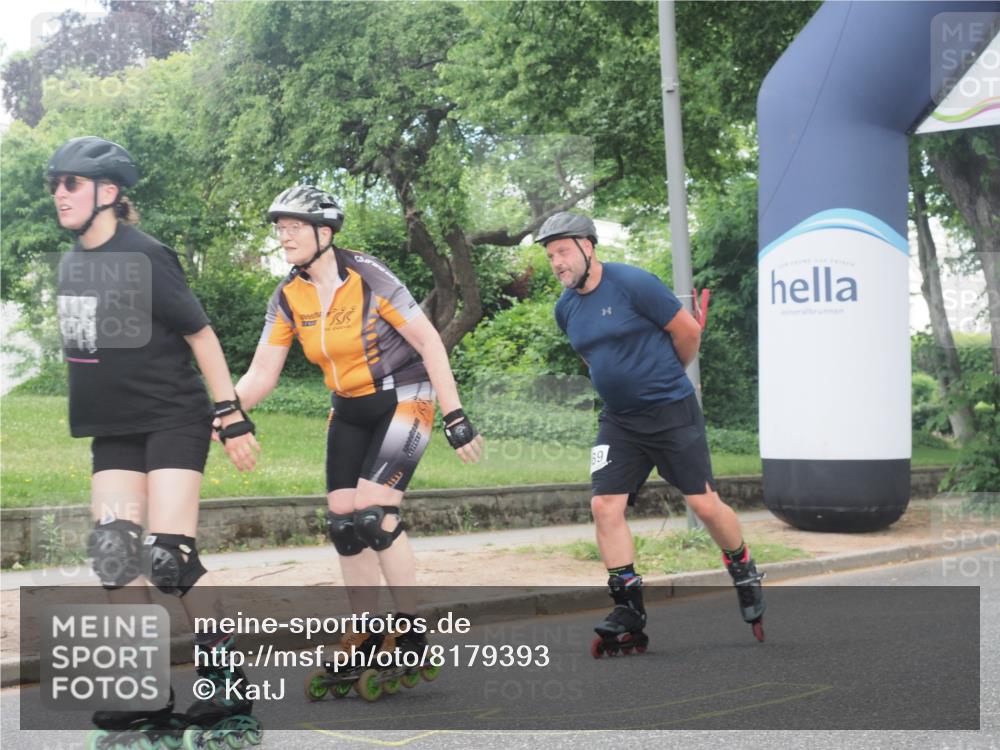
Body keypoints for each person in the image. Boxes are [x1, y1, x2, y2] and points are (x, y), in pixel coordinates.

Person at [48, 136, 262, 743]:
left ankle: (226, 683)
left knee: (170, 559)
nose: (59, 193)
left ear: (108, 193)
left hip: (173, 417)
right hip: (113, 432)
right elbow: (91, 352)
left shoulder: (146, 254)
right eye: (54, 183)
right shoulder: (71, 266)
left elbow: (201, 336)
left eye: (71, 182)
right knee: (116, 559)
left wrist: (231, 415)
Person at [232, 185, 483, 664]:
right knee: (345, 525)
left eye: (293, 227)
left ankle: (410, 631)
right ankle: (366, 636)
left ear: (324, 232)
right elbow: (262, 372)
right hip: (348, 407)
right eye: (279, 228)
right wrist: (225, 409)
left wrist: (454, 415)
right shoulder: (287, 296)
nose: (283, 237)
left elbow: (430, 344)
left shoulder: (369, 276)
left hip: (404, 397)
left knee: (373, 512)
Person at [536, 211, 766, 655]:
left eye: (563, 251)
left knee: (703, 503)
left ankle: (743, 566)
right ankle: (628, 607)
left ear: (588, 246)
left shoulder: (634, 284)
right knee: (605, 506)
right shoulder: (565, 309)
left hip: (671, 411)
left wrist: (663, 377)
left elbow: (688, 332)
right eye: (550, 256)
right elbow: (593, 358)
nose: (557, 263)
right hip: (619, 420)